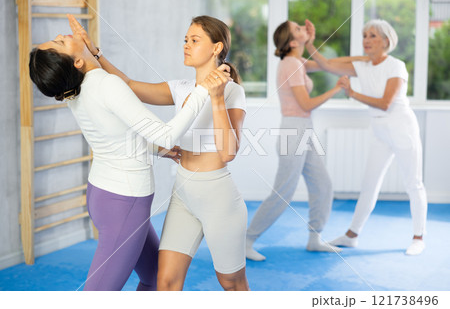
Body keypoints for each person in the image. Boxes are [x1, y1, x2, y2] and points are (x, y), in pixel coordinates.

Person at [28, 15, 231, 291]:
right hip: (125, 203)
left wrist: (158, 150)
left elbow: (114, 134)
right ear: (76, 62)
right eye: (59, 43)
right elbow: (166, 133)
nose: (62, 36)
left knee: (156, 278)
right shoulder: (105, 84)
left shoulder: (76, 89)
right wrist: (202, 91)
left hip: (105, 196)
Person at [305, 19, 428, 255]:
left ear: (386, 41)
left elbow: (385, 103)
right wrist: (310, 44)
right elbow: (328, 64)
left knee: (414, 183)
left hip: (402, 127)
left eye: (372, 36)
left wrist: (352, 93)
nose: (366, 40)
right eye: (364, 35)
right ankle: (352, 235)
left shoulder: (396, 66)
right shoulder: (362, 65)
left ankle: (418, 237)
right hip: (379, 129)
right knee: (369, 184)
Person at [246, 20, 361, 261]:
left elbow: (324, 66)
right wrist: (337, 89)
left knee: (322, 185)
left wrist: (310, 42)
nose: (302, 27)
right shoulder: (291, 64)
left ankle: (314, 237)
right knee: (283, 193)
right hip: (294, 130)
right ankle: (247, 240)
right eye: (298, 28)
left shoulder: (296, 62)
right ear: (291, 42)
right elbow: (306, 104)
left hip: (303, 130)